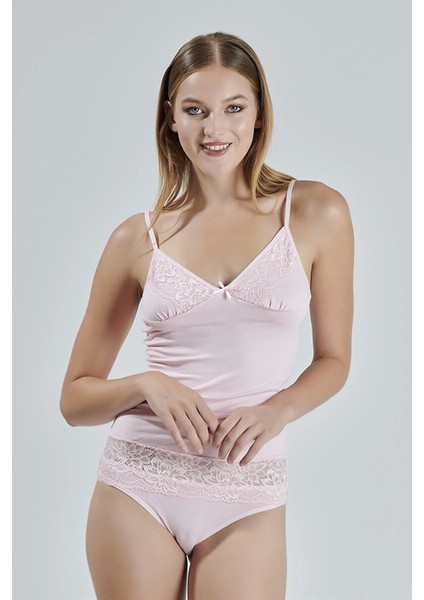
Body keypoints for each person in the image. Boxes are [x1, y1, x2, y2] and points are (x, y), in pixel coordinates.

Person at [60, 31, 354, 600]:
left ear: (259, 114)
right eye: (195, 110)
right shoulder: (136, 239)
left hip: (248, 487)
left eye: (233, 108)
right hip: (140, 481)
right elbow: (74, 400)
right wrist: (146, 383)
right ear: (171, 117)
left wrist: (278, 410)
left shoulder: (316, 213)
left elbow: (334, 359)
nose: (214, 129)